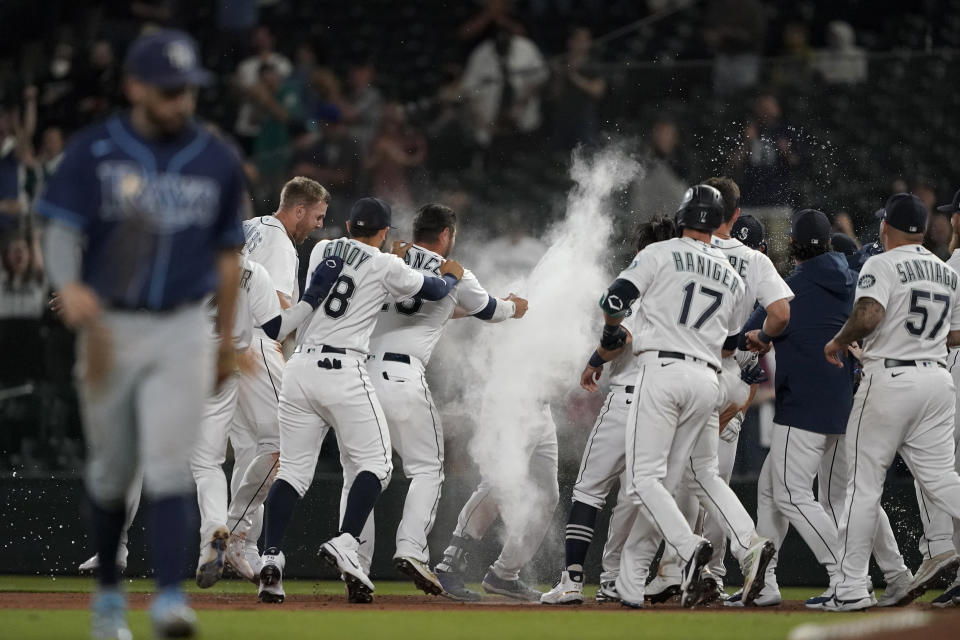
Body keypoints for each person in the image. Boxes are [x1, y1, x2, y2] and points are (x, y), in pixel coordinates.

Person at [36, 30, 245, 638]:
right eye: (168, 90)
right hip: (110, 327)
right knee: (111, 469)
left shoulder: (216, 157)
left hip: (183, 326)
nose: (181, 101)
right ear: (134, 87)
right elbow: (56, 227)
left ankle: (170, 600)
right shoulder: (95, 149)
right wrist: (67, 282)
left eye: (187, 90)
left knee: (170, 465)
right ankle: (108, 601)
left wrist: (226, 342)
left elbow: (230, 258)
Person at [257, 197, 466, 604]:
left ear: (349, 223)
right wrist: (452, 276)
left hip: (299, 368)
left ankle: (271, 556)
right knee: (377, 465)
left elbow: (352, 263)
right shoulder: (387, 265)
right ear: (384, 231)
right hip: (344, 369)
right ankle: (348, 542)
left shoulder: (321, 248)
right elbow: (436, 288)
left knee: (294, 473)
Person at [590, 184, 774, 608]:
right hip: (709, 378)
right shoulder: (730, 273)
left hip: (664, 372)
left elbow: (614, 299)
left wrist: (611, 330)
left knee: (644, 480)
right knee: (694, 476)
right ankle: (744, 544)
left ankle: (689, 550)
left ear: (682, 216)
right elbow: (728, 336)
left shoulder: (661, 252)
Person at [742, 210, 913, 609]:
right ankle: (765, 583)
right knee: (795, 490)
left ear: (795, 245)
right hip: (844, 404)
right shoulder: (851, 277)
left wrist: (758, 336)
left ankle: (847, 577)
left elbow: (749, 332)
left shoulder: (793, 285)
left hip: (803, 405)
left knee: (789, 492)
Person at [360, 203, 528, 597]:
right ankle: (412, 549)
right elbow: (490, 310)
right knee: (428, 468)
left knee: (363, 470)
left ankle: (354, 555)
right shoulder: (453, 270)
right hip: (403, 376)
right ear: (448, 234)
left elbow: (419, 309)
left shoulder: (389, 260)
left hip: (361, 376)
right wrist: (514, 308)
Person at [822, 193, 960, 611]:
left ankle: (848, 588)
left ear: (886, 228)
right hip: (936, 381)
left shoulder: (881, 262)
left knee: (862, 486)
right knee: (940, 480)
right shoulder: (944, 270)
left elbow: (868, 315)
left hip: (891, 379)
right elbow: (955, 334)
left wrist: (840, 340)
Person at [539, 217, 677, 606]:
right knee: (637, 494)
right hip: (664, 404)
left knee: (589, 490)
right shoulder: (683, 289)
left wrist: (595, 357)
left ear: (642, 251)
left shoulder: (642, 280)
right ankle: (617, 578)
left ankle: (571, 580)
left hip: (628, 397)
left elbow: (621, 336)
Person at [226, 176, 330, 591]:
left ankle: (243, 544)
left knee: (252, 450)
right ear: (299, 209)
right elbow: (279, 306)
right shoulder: (280, 242)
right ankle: (234, 532)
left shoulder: (252, 227)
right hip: (254, 346)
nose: (319, 226)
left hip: (222, 344)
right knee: (286, 445)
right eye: (318, 216)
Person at [912, 188, 960, 608]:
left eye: (955, 214)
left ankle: (942, 553)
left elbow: (948, 331)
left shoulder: (955, 264)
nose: (951, 221)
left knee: (942, 471)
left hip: (954, 371)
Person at [234, 26, 292, 153]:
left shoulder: (283, 63)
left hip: (273, 125)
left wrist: (259, 91)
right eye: (257, 37)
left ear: (272, 39)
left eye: (264, 37)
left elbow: (286, 92)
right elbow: (238, 93)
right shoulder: (245, 65)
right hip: (248, 126)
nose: (261, 40)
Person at [550, 26, 606, 150]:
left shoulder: (594, 64)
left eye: (585, 40)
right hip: (562, 117)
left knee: (585, 152)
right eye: (579, 40)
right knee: (559, 154)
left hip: (585, 117)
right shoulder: (562, 63)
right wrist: (559, 76)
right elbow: (554, 94)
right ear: (570, 42)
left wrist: (573, 76)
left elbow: (598, 90)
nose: (582, 44)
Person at [0, 230, 45, 319]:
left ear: (30, 256)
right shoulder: (2, 279)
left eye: (23, 249)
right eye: (14, 250)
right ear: (7, 256)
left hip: (32, 326)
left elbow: (39, 266)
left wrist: (36, 242)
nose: (18, 252)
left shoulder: (38, 278)